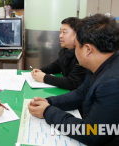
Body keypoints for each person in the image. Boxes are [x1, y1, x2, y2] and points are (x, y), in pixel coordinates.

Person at [28, 14, 119, 145]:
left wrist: (48, 111)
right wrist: (48, 102)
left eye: (76, 46)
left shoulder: (112, 83)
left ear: (88, 49)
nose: (74, 51)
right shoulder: (100, 65)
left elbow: (91, 133)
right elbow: (80, 94)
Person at [31, 17, 86, 90]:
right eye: (60, 32)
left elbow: (72, 82)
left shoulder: (83, 56)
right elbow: (57, 65)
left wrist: (44, 78)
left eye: (64, 32)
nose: (60, 36)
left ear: (77, 35)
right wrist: (41, 70)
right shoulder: (65, 50)